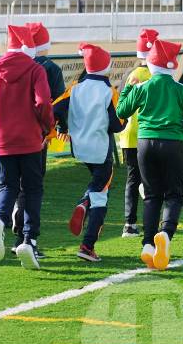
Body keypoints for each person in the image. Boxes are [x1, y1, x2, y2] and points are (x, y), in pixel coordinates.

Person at [0, 25, 55, 270]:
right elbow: (43, 102)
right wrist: (47, 126)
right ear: (29, 47)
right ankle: (29, 239)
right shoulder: (35, 69)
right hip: (29, 139)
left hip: (2, 139)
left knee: (7, 186)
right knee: (33, 189)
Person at [116, 39, 183, 272]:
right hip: (173, 143)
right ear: (172, 66)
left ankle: (147, 244)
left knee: (151, 196)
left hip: (144, 144)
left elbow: (121, 111)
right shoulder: (180, 89)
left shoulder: (142, 87)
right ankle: (165, 233)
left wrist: (128, 88)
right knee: (174, 194)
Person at [52, 42, 124, 263]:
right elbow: (117, 125)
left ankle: (86, 205)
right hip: (101, 149)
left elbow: (55, 108)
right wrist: (126, 116)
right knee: (100, 195)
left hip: (79, 148)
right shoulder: (108, 91)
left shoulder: (75, 87)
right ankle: (87, 244)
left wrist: (62, 127)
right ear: (107, 67)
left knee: (100, 187)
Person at [10, 22, 66, 251]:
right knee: (33, 186)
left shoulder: (15, 64)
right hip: (37, 133)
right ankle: (26, 237)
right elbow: (58, 104)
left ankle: (12, 211)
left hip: (10, 132)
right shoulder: (50, 68)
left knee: (13, 183)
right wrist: (56, 128)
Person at [119, 28, 159, 237]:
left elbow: (123, 103)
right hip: (149, 133)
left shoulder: (131, 74)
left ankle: (129, 224)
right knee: (153, 178)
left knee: (132, 179)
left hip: (128, 134)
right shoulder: (156, 75)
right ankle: (152, 222)